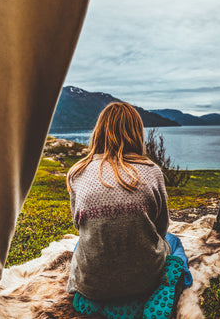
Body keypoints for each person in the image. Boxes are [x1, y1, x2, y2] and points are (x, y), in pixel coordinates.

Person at [66, 102, 192, 318]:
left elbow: (80, 225)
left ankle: (95, 303)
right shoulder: (151, 171)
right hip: (144, 281)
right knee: (175, 242)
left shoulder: (77, 173)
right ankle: (167, 285)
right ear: (136, 133)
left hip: (91, 284)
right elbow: (161, 229)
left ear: (99, 132)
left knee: (81, 242)